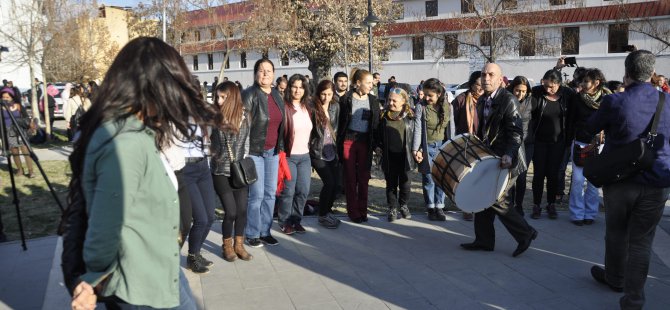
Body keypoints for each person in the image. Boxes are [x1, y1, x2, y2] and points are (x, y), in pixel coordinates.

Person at [69, 36, 217, 310]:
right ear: (154, 87)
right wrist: (91, 280)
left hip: (159, 269)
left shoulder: (134, 131)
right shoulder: (125, 143)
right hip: (144, 283)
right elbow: (106, 226)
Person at [587, 50, 670, 310]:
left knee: (616, 232)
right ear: (652, 72)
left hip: (621, 180)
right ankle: (634, 300)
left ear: (627, 72)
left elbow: (590, 127)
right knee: (642, 242)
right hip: (658, 180)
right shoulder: (667, 101)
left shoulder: (616, 101)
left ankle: (614, 278)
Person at [460, 63, 538, 258]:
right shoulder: (482, 100)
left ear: (501, 79)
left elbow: (516, 132)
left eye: (490, 74)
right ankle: (484, 240)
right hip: (490, 158)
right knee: (484, 196)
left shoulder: (508, 100)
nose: (485, 78)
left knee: (495, 198)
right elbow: (483, 131)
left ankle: (525, 233)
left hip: (507, 159)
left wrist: (509, 154)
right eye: (483, 74)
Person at [243, 58, 285, 247]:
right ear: (255, 74)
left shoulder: (277, 94)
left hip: (273, 151)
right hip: (255, 151)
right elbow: (242, 125)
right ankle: (252, 233)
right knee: (257, 195)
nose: (265, 74)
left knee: (270, 194)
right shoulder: (249, 94)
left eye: (269, 70)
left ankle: (265, 231)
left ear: (274, 74)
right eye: (261, 70)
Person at [210, 81, 253, 262]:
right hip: (220, 170)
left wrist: (244, 159)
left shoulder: (246, 116)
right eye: (217, 97)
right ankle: (226, 246)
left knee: (242, 210)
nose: (219, 101)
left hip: (239, 170)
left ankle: (239, 245)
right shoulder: (214, 118)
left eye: (223, 97)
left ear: (233, 97)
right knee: (231, 211)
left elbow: (247, 141)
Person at [528, 70, 576, 220]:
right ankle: (536, 205)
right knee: (539, 174)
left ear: (559, 84)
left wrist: (569, 139)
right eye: (546, 85)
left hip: (558, 142)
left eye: (552, 87)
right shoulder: (537, 92)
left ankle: (551, 204)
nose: (548, 89)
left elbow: (572, 117)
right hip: (539, 141)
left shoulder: (567, 95)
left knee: (553, 174)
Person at [566, 68, 610, 226]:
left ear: (596, 83)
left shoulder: (607, 98)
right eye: (582, 81)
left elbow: (611, 121)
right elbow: (571, 120)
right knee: (578, 180)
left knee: (593, 181)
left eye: (586, 81)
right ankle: (577, 214)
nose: (583, 84)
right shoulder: (577, 98)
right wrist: (569, 139)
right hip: (580, 142)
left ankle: (590, 213)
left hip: (600, 144)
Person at [337, 69, 380, 223]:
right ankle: (353, 211)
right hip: (348, 141)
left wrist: (376, 145)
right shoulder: (346, 99)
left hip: (365, 143)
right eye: (368, 83)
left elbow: (376, 124)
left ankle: (363, 210)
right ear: (358, 83)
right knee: (350, 177)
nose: (371, 85)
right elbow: (340, 122)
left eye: (372, 82)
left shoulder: (373, 100)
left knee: (363, 177)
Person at [278, 74, 313, 235]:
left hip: (305, 156)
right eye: (294, 86)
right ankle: (284, 222)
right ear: (289, 88)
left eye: (301, 87)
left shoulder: (308, 107)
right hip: (289, 156)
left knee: (303, 190)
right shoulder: (284, 107)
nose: (297, 90)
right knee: (289, 191)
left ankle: (296, 220)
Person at [377, 88, 416, 222]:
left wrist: (419, 150)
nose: (391, 103)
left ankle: (403, 205)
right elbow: (377, 135)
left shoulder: (411, 116)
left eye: (394, 100)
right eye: (389, 100)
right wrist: (377, 147)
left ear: (404, 101)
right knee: (391, 185)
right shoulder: (382, 116)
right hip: (390, 156)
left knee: (405, 184)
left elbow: (417, 136)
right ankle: (392, 208)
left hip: (406, 157)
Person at [413, 78, 450, 221]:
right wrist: (416, 149)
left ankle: (439, 207)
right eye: (425, 94)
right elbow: (417, 129)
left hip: (443, 146)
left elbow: (450, 129)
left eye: (430, 95)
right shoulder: (420, 107)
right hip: (426, 146)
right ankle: (430, 207)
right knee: (428, 178)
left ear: (439, 94)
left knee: (441, 178)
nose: (426, 98)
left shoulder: (447, 107)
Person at [451, 71, 483, 221]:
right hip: (465, 144)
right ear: (471, 84)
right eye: (478, 84)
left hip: (483, 145)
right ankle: (466, 208)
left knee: (479, 177)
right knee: (465, 177)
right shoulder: (461, 99)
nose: (481, 86)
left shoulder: (487, 100)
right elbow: (453, 122)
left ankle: (477, 205)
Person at [309, 80, 341, 229]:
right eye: (323, 94)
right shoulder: (312, 107)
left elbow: (337, 128)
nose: (326, 97)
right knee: (329, 182)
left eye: (329, 94)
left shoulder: (335, 106)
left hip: (331, 150)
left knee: (336, 184)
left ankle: (327, 211)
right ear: (318, 92)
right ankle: (322, 214)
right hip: (317, 151)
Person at [506, 76, 533, 217]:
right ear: (512, 88)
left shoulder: (530, 101)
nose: (520, 94)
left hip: (526, 144)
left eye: (523, 91)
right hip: (510, 142)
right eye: (517, 90)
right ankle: (509, 204)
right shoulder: (507, 99)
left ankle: (519, 205)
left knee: (521, 176)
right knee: (510, 176)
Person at [1, 88, 34, 177]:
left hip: (20, 130)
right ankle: (20, 169)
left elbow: (27, 117)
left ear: (12, 97)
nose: (5, 99)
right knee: (15, 152)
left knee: (25, 150)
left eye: (7, 97)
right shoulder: (1, 108)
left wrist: (30, 125)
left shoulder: (18, 106)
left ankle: (31, 170)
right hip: (8, 131)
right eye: (3, 97)